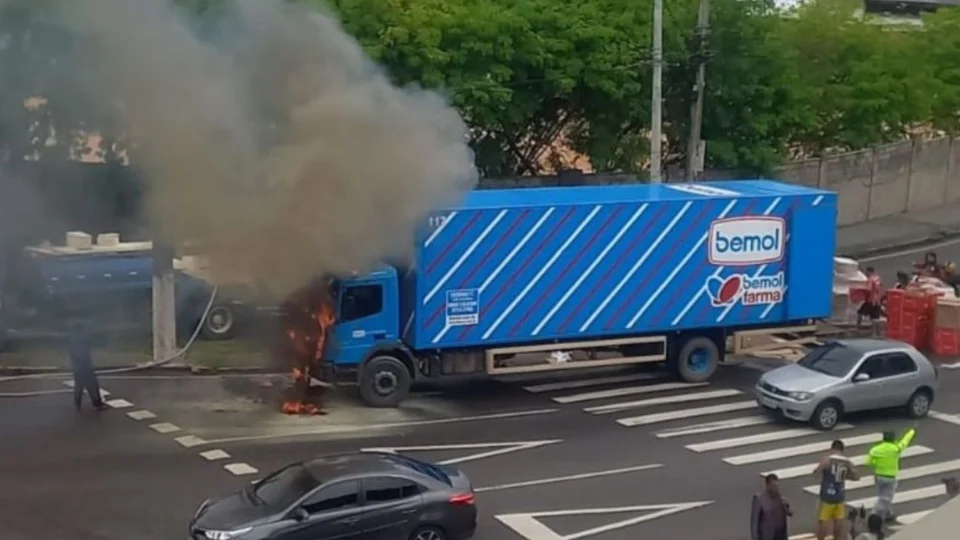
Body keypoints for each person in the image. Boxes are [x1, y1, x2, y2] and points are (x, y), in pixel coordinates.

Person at [866, 427, 917, 523]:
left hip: (878, 476)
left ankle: (888, 513)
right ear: (893, 439)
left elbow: (869, 462)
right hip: (890, 478)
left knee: (883, 495)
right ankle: (874, 515)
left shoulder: (875, 449)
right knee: (885, 498)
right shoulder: (896, 449)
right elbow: (905, 441)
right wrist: (912, 431)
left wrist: (877, 466)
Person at [813, 440, 860, 540]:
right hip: (839, 497)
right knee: (838, 523)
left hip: (826, 497)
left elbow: (816, 474)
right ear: (842, 450)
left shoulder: (827, 460)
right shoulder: (847, 462)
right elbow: (856, 476)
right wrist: (845, 475)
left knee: (823, 523)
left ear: (832, 449)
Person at [68, 322, 107, 412]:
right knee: (92, 385)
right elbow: (82, 354)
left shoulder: (72, 340)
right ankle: (98, 404)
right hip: (84, 367)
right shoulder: (80, 340)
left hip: (77, 368)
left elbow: (73, 354)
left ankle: (77, 404)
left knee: (79, 386)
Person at [751, 473, 792, 540]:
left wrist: (785, 506)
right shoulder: (759, 499)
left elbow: (790, 513)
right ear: (767, 486)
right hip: (767, 536)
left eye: (777, 486)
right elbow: (754, 522)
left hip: (781, 535)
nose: (775, 488)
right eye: (773, 486)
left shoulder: (782, 499)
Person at [857, 267, 882, 334]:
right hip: (877, 301)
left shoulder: (870, 280)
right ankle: (877, 332)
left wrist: (861, 290)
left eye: (867, 272)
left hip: (870, 300)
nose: (866, 273)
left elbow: (868, 289)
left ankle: (858, 328)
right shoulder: (877, 278)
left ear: (869, 272)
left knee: (860, 312)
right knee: (875, 317)